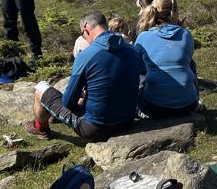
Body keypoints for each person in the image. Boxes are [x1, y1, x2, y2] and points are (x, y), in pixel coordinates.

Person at [24, 10, 139, 142]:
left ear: (85, 28)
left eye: (82, 34)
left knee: (41, 89)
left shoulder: (87, 55)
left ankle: (39, 128)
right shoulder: (131, 50)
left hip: (95, 128)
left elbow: (68, 102)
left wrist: (80, 102)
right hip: (126, 121)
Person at [135, 0, 199, 118]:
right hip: (188, 104)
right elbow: (184, 55)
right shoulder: (186, 35)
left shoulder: (143, 37)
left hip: (154, 107)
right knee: (190, 64)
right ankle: (195, 99)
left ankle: (138, 112)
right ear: (172, 13)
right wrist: (179, 28)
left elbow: (139, 68)